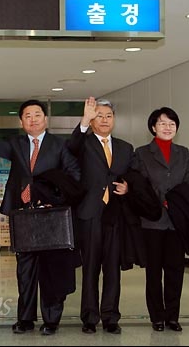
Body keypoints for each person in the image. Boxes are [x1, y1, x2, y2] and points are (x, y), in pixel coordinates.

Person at [0, 101, 81, 336]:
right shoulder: (16, 143)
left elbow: (74, 176)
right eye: (27, 116)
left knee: (50, 270)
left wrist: (51, 195)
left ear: (45, 119)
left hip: (50, 217)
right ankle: (25, 319)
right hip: (23, 216)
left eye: (37, 115)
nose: (32, 119)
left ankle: (51, 320)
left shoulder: (59, 145)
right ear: (21, 122)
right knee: (25, 270)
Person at [66, 96, 135, 334]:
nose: (104, 120)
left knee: (112, 268)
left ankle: (110, 317)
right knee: (91, 267)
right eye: (99, 116)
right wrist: (84, 120)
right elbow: (70, 146)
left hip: (115, 215)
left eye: (108, 116)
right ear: (92, 120)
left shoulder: (126, 148)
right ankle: (89, 317)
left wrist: (128, 188)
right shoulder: (83, 143)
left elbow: (133, 177)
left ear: (114, 120)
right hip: (90, 212)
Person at [132, 107, 189, 333]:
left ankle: (172, 316)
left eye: (171, 124)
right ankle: (156, 317)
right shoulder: (142, 153)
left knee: (175, 270)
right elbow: (140, 186)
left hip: (177, 222)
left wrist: (177, 203)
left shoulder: (183, 153)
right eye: (162, 123)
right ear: (153, 127)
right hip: (152, 220)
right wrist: (163, 201)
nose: (167, 127)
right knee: (153, 272)